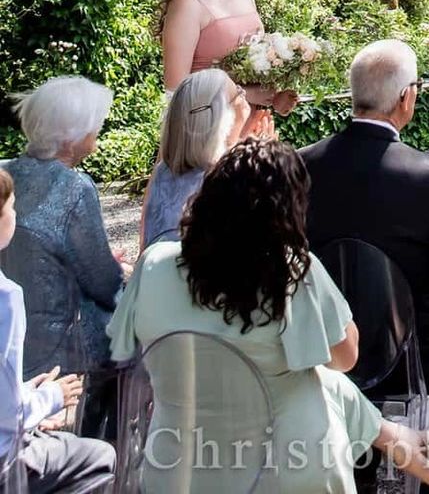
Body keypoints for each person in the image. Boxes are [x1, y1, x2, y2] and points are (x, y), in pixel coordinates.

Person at [108, 140, 429, 494]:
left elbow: (125, 344)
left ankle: (398, 439)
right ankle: (402, 443)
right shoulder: (292, 271)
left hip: (175, 467)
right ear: (286, 211)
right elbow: (345, 358)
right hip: (285, 469)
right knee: (315, 379)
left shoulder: (154, 264)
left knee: (303, 381)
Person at [302, 41, 429, 494]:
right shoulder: (427, 177)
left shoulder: (303, 164)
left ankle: (360, 464)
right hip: (411, 353)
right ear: (405, 98)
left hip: (326, 344)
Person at [0, 166, 115, 494]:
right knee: (101, 455)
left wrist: (24, 394)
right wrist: (49, 399)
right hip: (7, 464)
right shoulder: (6, 297)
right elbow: (7, 416)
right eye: (11, 207)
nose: (16, 214)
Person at [1, 79, 124, 373]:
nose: (98, 129)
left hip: (9, 335)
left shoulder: (4, 171)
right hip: (59, 352)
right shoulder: (74, 187)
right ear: (70, 139)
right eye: (95, 124)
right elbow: (103, 284)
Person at [157, 0, 297, 138]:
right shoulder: (187, 5)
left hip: (253, 129)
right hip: (206, 133)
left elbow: (253, 67)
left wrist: (274, 95)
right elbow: (177, 90)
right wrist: (245, 94)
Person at [139, 70, 249, 252]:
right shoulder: (229, 178)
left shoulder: (163, 171)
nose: (244, 98)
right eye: (239, 93)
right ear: (222, 121)